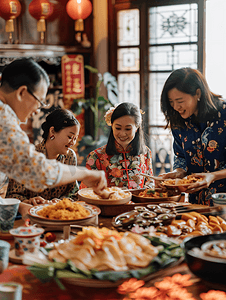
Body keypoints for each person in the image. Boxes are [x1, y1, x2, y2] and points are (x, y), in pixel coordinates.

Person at [0, 58, 107, 216]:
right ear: (22, 92)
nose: (37, 110)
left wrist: (21, 207)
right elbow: (37, 171)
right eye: (39, 101)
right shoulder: (4, 121)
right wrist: (87, 173)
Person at [160, 67, 226, 206]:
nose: (176, 107)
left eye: (180, 100)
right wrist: (179, 173)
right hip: (196, 202)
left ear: (197, 93)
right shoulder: (179, 121)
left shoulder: (224, 114)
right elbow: (181, 156)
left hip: (222, 200)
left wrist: (213, 176)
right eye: (171, 102)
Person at [6, 108, 80, 205]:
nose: (73, 143)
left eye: (75, 138)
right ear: (52, 131)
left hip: (59, 214)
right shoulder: (27, 156)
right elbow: (12, 195)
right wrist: (28, 201)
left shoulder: (70, 156)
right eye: (70, 137)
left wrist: (62, 202)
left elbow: (73, 193)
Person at [80, 102, 153, 189]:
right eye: (118, 128)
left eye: (128, 129)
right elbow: (86, 191)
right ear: (112, 126)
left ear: (136, 128)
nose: (122, 133)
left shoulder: (145, 153)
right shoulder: (96, 156)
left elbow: (150, 183)